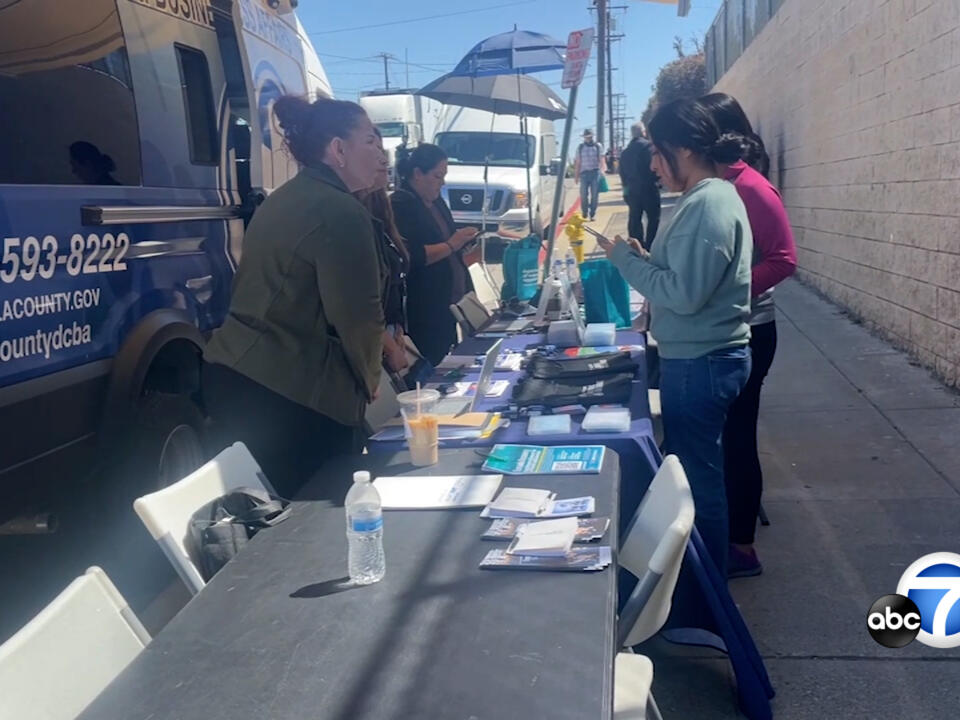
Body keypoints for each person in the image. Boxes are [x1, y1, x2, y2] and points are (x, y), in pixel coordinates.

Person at [596, 98, 753, 576]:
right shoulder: (706, 199)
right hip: (701, 357)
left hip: (701, 362)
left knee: (697, 482)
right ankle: (702, 579)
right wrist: (644, 259)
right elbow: (687, 277)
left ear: (682, 149)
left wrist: (625, 263)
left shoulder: (707, 203)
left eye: (656, 154)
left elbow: (684, 295)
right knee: (695, 472)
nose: (653, 166)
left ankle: (707, 588)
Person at [203, 95, 386, 498]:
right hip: (287, 393)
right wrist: (370, 376)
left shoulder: (290, 196)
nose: (381, 154)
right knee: (313, 516)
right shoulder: (339, 210)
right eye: (371, 141)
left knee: (270, 512)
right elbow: (358, 315)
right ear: (338, 150)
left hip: (242, 376)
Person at [698, 93, 797, 578]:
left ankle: (741, 547)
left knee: (738, 439)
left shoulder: (751, 188)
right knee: (725, 438)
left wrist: (729, 291)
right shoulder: (719, 185)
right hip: (727, 327)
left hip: (751, 330)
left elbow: (784, 260)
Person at [391, 144, 480, 366]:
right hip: (427, 306)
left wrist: (465, 243)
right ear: (417, 174)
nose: (442, 183)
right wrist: (452, 244)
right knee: (434, 362)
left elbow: (448, 237)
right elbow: (411, 255)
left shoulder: (436, 201)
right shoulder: (402, 204)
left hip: (452, 299)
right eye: (437, 176)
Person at [356, 132, 410, 375]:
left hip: (390, 333)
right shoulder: (349, 215)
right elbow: (358, 302)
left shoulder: (380, 206)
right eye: (373, 147)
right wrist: (389, 345)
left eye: (382, 150)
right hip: (371, 343)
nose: (384, 160)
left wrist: (397, 328)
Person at [618, 122, 661, 249]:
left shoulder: (625, 152)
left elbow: (622, 174)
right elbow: (655, 166)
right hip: (649, 187)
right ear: (643, 132)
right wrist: (658, 180)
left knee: (635, 218)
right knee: (653, 218)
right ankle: (650, 245)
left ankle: (637, 246)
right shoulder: (649, 147)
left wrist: (625, 191)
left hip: (632, 189)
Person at [574, 129, 605, 221]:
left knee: (594, 195)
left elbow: (601, 159)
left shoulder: (598, 146)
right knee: (583, 194)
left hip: (595, 172)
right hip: (584, 173)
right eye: (587, 137)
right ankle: (584, 212)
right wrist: (576, 176)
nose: (588, 139)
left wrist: (602, 170)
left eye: (590, 137)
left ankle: (592, 213)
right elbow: (578, 162)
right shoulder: (580, 147)